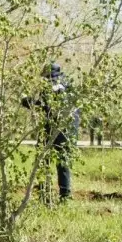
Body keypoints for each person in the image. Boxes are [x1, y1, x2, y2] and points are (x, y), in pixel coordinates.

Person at [24, 63, 79, 202]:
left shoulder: (54, 85)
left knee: (43, 160)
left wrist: (30, 102)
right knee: (62, 162)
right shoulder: (69, 85)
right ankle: (63, 196)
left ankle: (45, 193)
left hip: (57, 128)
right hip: (69, 129)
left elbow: (47, 106)